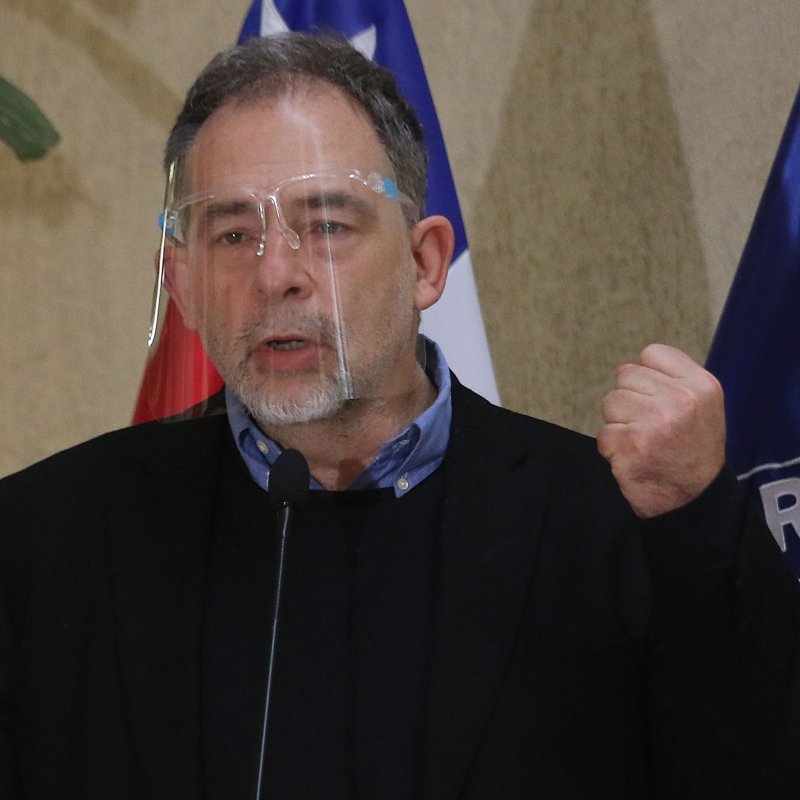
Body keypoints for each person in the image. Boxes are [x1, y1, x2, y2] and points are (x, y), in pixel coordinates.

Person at [0, 33, 797, 800]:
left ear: (425, 263)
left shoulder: (619, 526)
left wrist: (700, 528)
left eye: (327, 225)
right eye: (233, 233)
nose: (275, 275)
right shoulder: (43, 540)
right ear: (182, 284)